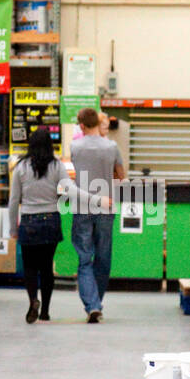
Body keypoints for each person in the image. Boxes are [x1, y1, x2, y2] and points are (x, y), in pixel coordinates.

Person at [8, 128, 108, 324]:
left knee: (29, 267)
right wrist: (96, 199)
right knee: (46, 267)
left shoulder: (20, 167)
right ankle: (45, 311)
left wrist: (13, 229)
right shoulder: (56, 166)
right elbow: (71, 191)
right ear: (49, 145)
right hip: (50, 220)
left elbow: (13, 201)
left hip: (28, 220)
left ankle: (32, 301)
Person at [69, 107, 125, 323]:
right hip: (106, 207)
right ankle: (96, 303)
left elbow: (74, 171)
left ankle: (92, 305)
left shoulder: (75, 146)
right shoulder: (111, 146)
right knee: (103, 258)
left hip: (82, 207)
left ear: (81, 125)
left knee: (84, 259)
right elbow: (120, 175)